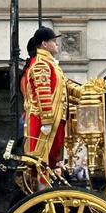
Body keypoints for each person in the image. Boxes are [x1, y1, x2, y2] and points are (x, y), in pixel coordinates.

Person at [20, 26, 81, 167]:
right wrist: (47, 121)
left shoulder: (51, 64)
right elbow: (43, 93)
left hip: (56, 118)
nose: (57, 44)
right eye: (54, 41)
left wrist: (88, 91)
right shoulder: (41, 64)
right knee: (42, 158)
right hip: (45, 121)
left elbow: (66, 86)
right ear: (44, 44)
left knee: (51, 158)